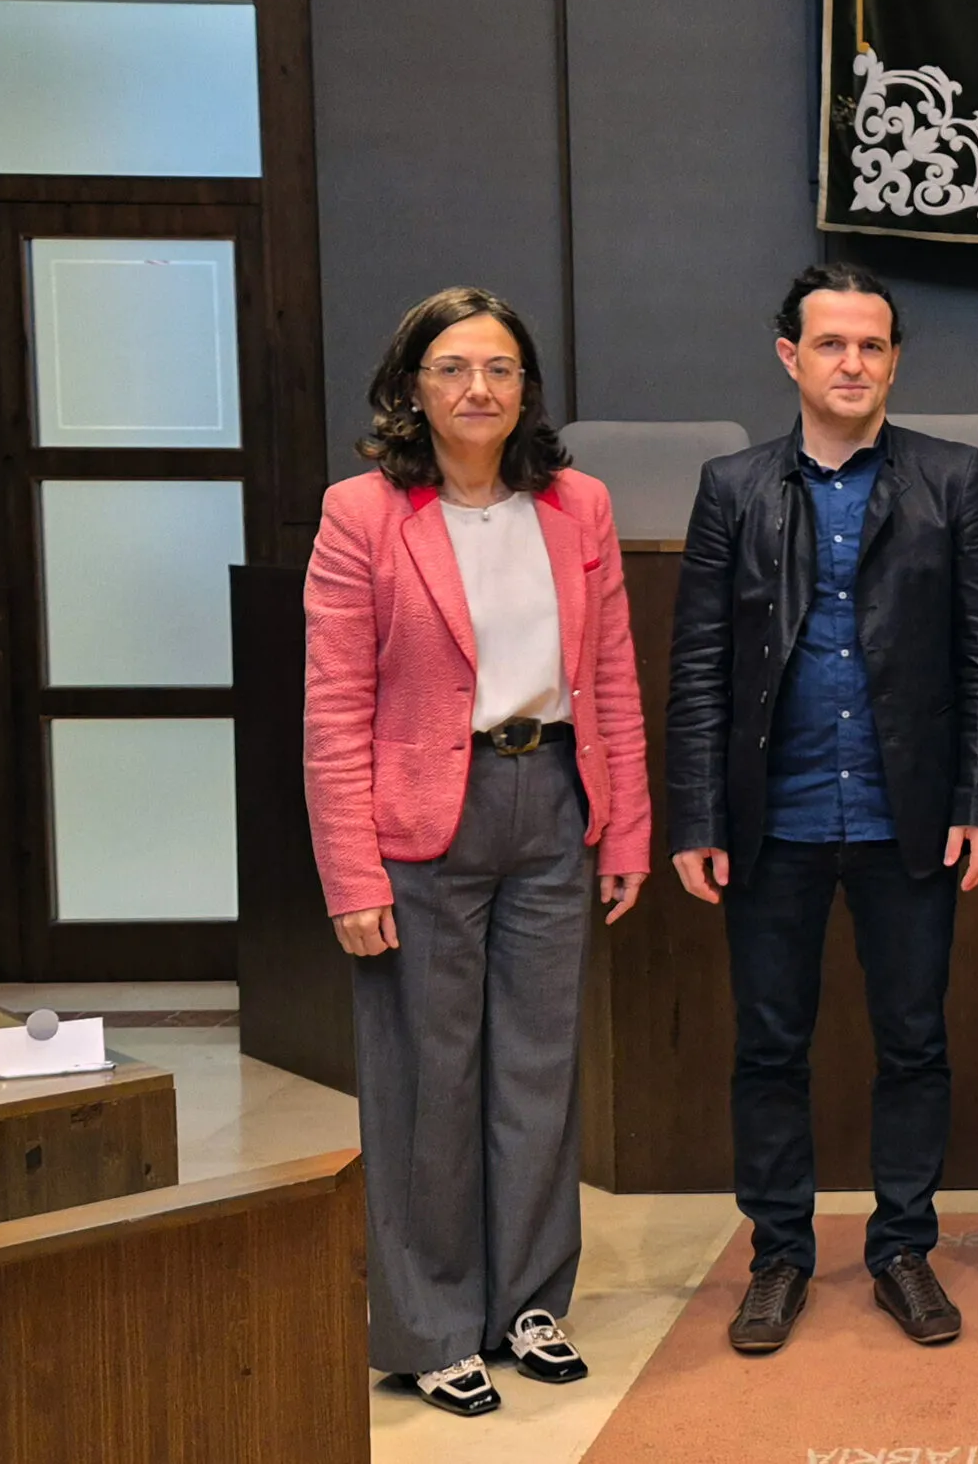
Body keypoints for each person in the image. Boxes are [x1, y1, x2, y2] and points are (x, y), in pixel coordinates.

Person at [303, 286, 650, 1417]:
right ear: (412, 385)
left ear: (525, 388)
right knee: (427, 1080)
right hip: (420, 824)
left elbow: (613, 681)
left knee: (538, 1070)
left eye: (499, 369)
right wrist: (351, 872)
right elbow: (333, 707)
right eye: (453, 368)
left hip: (551, 800)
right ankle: (433, 1324)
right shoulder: (362, 514)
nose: (477, 390)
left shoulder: (577, 506)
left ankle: (529, 1301)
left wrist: (627, 827)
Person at [665, 261, 978, 1356]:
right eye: (831, 344)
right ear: (791, 356)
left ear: (894, 360)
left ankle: (902, 1246)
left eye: (871, 346)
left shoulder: (951, 479)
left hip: (908, 818)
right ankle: (778, 1256)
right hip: (770, 821)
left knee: (913, 1042)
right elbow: (699, 666)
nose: (852, 363)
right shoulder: (733, 486)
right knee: (770, 1046)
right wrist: (695, 817)